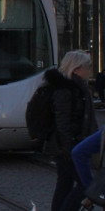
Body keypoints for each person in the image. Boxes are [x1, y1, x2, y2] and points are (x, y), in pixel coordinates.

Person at [45, 50, 98, 211]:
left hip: (70, 144)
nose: (89, 70)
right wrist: (68, 147)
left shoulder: (78, 87)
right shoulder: (66, 89)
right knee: (85, 184)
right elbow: (62, 121)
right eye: (87, 66)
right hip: (68, 146)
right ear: (76, 69)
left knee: (65, 183)